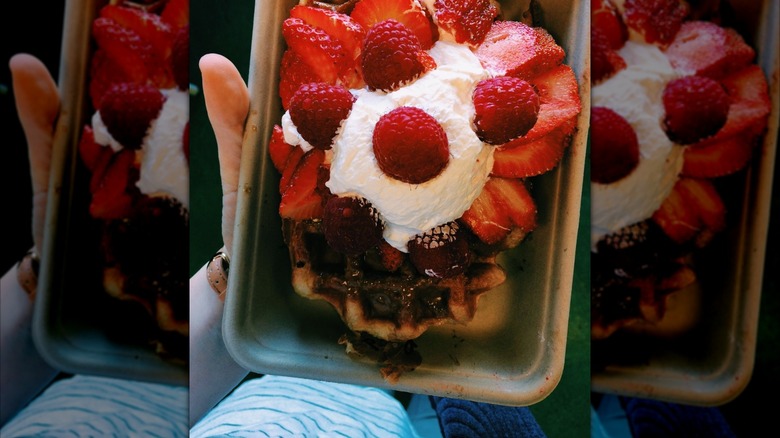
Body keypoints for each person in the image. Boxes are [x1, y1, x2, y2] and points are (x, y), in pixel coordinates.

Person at [2, 52, 549, 437]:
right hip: (358, 423)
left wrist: (44, 286)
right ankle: (394, 398)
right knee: (426, 409)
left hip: (155, 400)